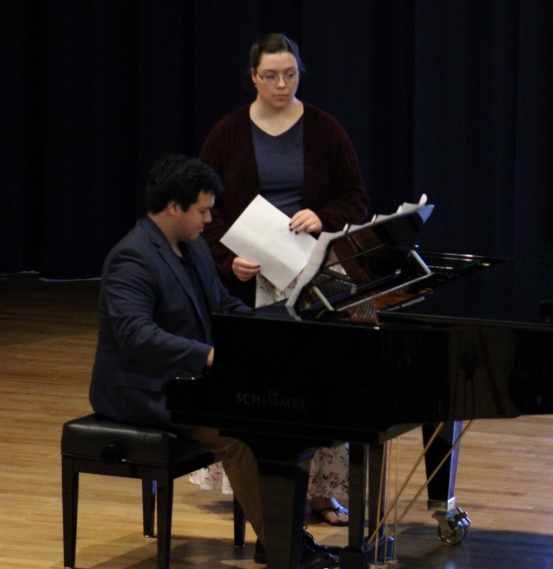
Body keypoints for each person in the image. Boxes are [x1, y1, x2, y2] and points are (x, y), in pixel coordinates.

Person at [88, 154, 335, 569]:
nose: (208, 220)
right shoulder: (131, 258)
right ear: (173, 208)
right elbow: (136, 335)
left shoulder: (194, 246)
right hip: (142, 389)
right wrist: (208, 353)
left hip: (188, 381)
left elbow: (220, 304)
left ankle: (279, 539)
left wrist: (268, 332)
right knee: (242, 438)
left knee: (277, 423)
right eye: (202, 211)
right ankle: (284, 547)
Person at [194, 33, 365, 527]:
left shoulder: (325, 129)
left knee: (326, 378)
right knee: (265, 384)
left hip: (315, 274)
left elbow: (356, 198)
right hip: (251, 279)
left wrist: (322, 215)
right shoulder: (227, 133)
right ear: (253, 77)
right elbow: (208, 213)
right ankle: (259, 489)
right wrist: (230, 262)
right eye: (270, 75)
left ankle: (322, 493)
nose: (281, 83)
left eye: (290, 74)